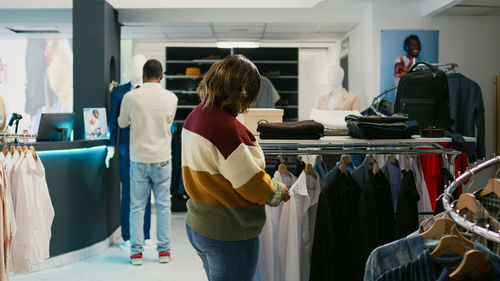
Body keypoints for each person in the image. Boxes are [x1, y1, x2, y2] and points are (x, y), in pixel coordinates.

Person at [182, 54, 290, 281]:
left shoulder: (195, 115)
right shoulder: (227, 129)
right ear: (244, 92)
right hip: (227, 232)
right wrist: (278, 191)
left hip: (199, 224)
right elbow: (251, 184)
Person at [118, 59, 178, 265]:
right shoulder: (171, 98)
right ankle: (164, 252)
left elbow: (122, 122)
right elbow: (169, 122)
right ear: (161, 76)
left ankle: (136, 253)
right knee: (163, 206)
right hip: (162, 159)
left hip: (139, 159)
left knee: (137, 207)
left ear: (143, 75)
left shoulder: (130, 97)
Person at [106, 54, 153, 249]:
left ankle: (146, 234)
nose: (137, 71)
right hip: (126, 150)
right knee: (128, 193)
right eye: (134, 67)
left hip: (147, 148)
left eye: (140, 68)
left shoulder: (151, 92)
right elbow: (113, 122)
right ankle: (127, 235)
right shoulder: (119, 92)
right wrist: (111, 146)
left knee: (146, 193)